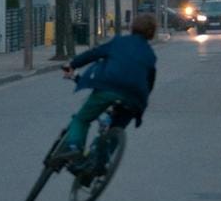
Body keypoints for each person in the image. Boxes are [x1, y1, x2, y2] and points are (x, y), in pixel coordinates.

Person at [54, 12, 158, 164]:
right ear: (152, 33)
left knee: (81, 119)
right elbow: (149, 83)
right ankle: (101, 163)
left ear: (132, 27)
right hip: (134, 99)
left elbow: (94, 54)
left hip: (109, 88)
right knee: (118, 127)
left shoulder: (119, 42)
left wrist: (72, 64)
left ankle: (74, 147)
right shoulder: (150, 55)